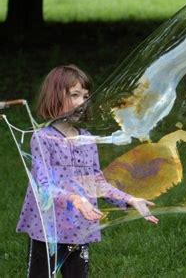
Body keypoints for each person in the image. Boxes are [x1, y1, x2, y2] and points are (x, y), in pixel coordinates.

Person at [16, 64, 158, 278]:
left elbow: (97, 183)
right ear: (54, 97)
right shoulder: (43, 138)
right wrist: (75, 199)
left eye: (85, 96)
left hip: (79, 229)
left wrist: (130, 200)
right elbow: (44, 187)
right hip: (47, 229)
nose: (82, 102)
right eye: (75, 95)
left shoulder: (87, 139)